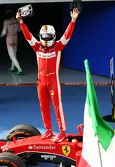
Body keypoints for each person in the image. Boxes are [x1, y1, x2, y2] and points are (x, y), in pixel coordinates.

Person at [16, 8, 80, 143]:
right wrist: (21, 22)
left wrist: (73, 20)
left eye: (48, 37)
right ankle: (49, 130)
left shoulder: (58, 46)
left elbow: (67, 35)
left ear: (53, 37)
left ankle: (62, 132)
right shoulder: (36, 46)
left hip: (53, 82)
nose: (45, 40)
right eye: (43, 37)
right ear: (40, 37)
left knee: (57, 106)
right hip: (40, 82)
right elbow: (28, 36)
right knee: (43, 106)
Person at [1, 9, 23, 75]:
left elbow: (4, 32)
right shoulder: (17, 20)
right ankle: (12, 67)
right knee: (14, 53)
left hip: (9, 39)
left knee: (12, 55)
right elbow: (20, 30)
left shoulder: (6, 21)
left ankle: (19, 69)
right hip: (15, 38)